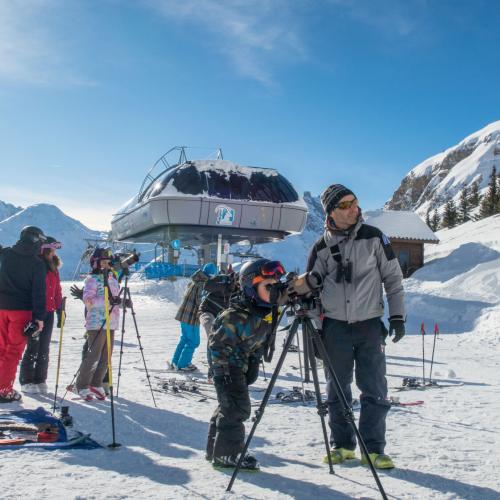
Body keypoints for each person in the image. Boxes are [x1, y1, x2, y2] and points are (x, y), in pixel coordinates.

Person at [306, 183, 405, 469]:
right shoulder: (321, 247)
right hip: (333, 327)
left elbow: (393, 280)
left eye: (355, 202)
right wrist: (314, 330)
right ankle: (343, 446)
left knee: (374, 387)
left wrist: (397, 317)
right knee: (337, 389)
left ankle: (373, 450)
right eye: (345, 205)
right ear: (331, 212)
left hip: (369, 325)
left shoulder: (375, 237)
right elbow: (310, 292)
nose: (354, 209)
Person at [206, 258, 285, 471]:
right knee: (237, 407)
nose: (274, 291)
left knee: (228, 405)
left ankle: (215, 448)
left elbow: (257, 341)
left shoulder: (263, 313)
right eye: (268, 286)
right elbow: (217, 344)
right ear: (250, 286)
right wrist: (222, 371)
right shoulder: (235, 315)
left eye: (276, 286)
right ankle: (228, 454)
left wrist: (253, 360)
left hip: (240, 364)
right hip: (226, 366)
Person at [0, 226, 47, 403]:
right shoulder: (36, 263)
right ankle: (4, 391)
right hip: (21, 312)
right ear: (36, 241)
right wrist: (39, 318)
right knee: (12, 352)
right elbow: (38, 293)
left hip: (1, 309)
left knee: (1, 349)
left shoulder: (5, 255)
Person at [75, 248, 120, 401]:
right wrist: (107, 302)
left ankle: (96, 383)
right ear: (96, 263)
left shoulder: (113, 279)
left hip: (111, 321)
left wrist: (122, 302)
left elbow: (115, 298)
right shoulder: (93, 279)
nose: (106, 264)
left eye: (108, 261)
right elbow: (88, 300)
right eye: (103, 261)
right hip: (96, 322)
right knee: (94, 355)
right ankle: (82, 385)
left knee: (106, 355)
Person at [19, 236, 63, 394]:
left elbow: (57, 290)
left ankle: (40, 379)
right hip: (36, 311)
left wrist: (59, 309)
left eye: (55, 250)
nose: (54, 253)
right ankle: (26, 380)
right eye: (51, 250)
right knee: (33, 345)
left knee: (44, 347)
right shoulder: (35, 265)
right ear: (43, 250)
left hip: (49, 312)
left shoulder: (53, 267)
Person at [168, 263, 217, 372]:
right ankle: (183, 364)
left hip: (184, 315)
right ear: (211, 275)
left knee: (185, 339)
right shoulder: (202, 284)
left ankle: (176, 361)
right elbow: (200, 302)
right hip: (191, 317)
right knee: (193, 341)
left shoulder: (196, 280)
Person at [199, 270, 239, 381]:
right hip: (207, 311)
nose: (238, 285)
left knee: (226, 340)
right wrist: (223, 286)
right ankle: (212, 371)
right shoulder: (223, 278)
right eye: (237, 282)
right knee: (213, 336)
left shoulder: (238, 291)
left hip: (221, 316)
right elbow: (206, 286)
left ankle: (226, 367)